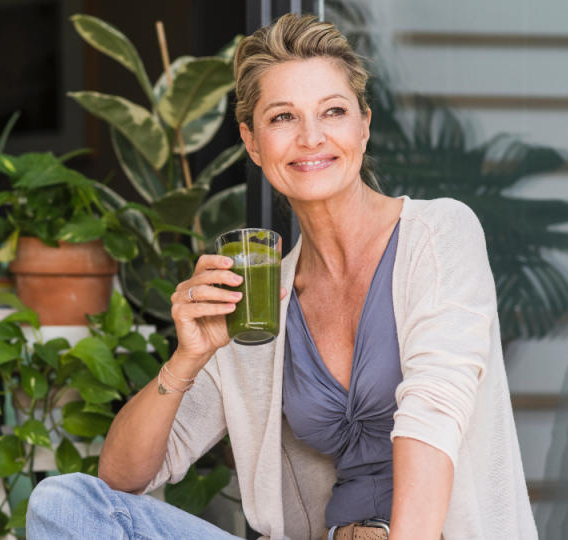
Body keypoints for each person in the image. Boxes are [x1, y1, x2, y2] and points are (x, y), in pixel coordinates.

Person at [27, 13, 536, 540]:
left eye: (333, 112)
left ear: (364, 124)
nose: (311, 138)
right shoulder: (260, 299)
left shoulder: (439, 233)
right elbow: (123, 478)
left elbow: (433, 413)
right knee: (64, 502)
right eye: (283, 118)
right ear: (252, 142)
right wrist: (189, 357)